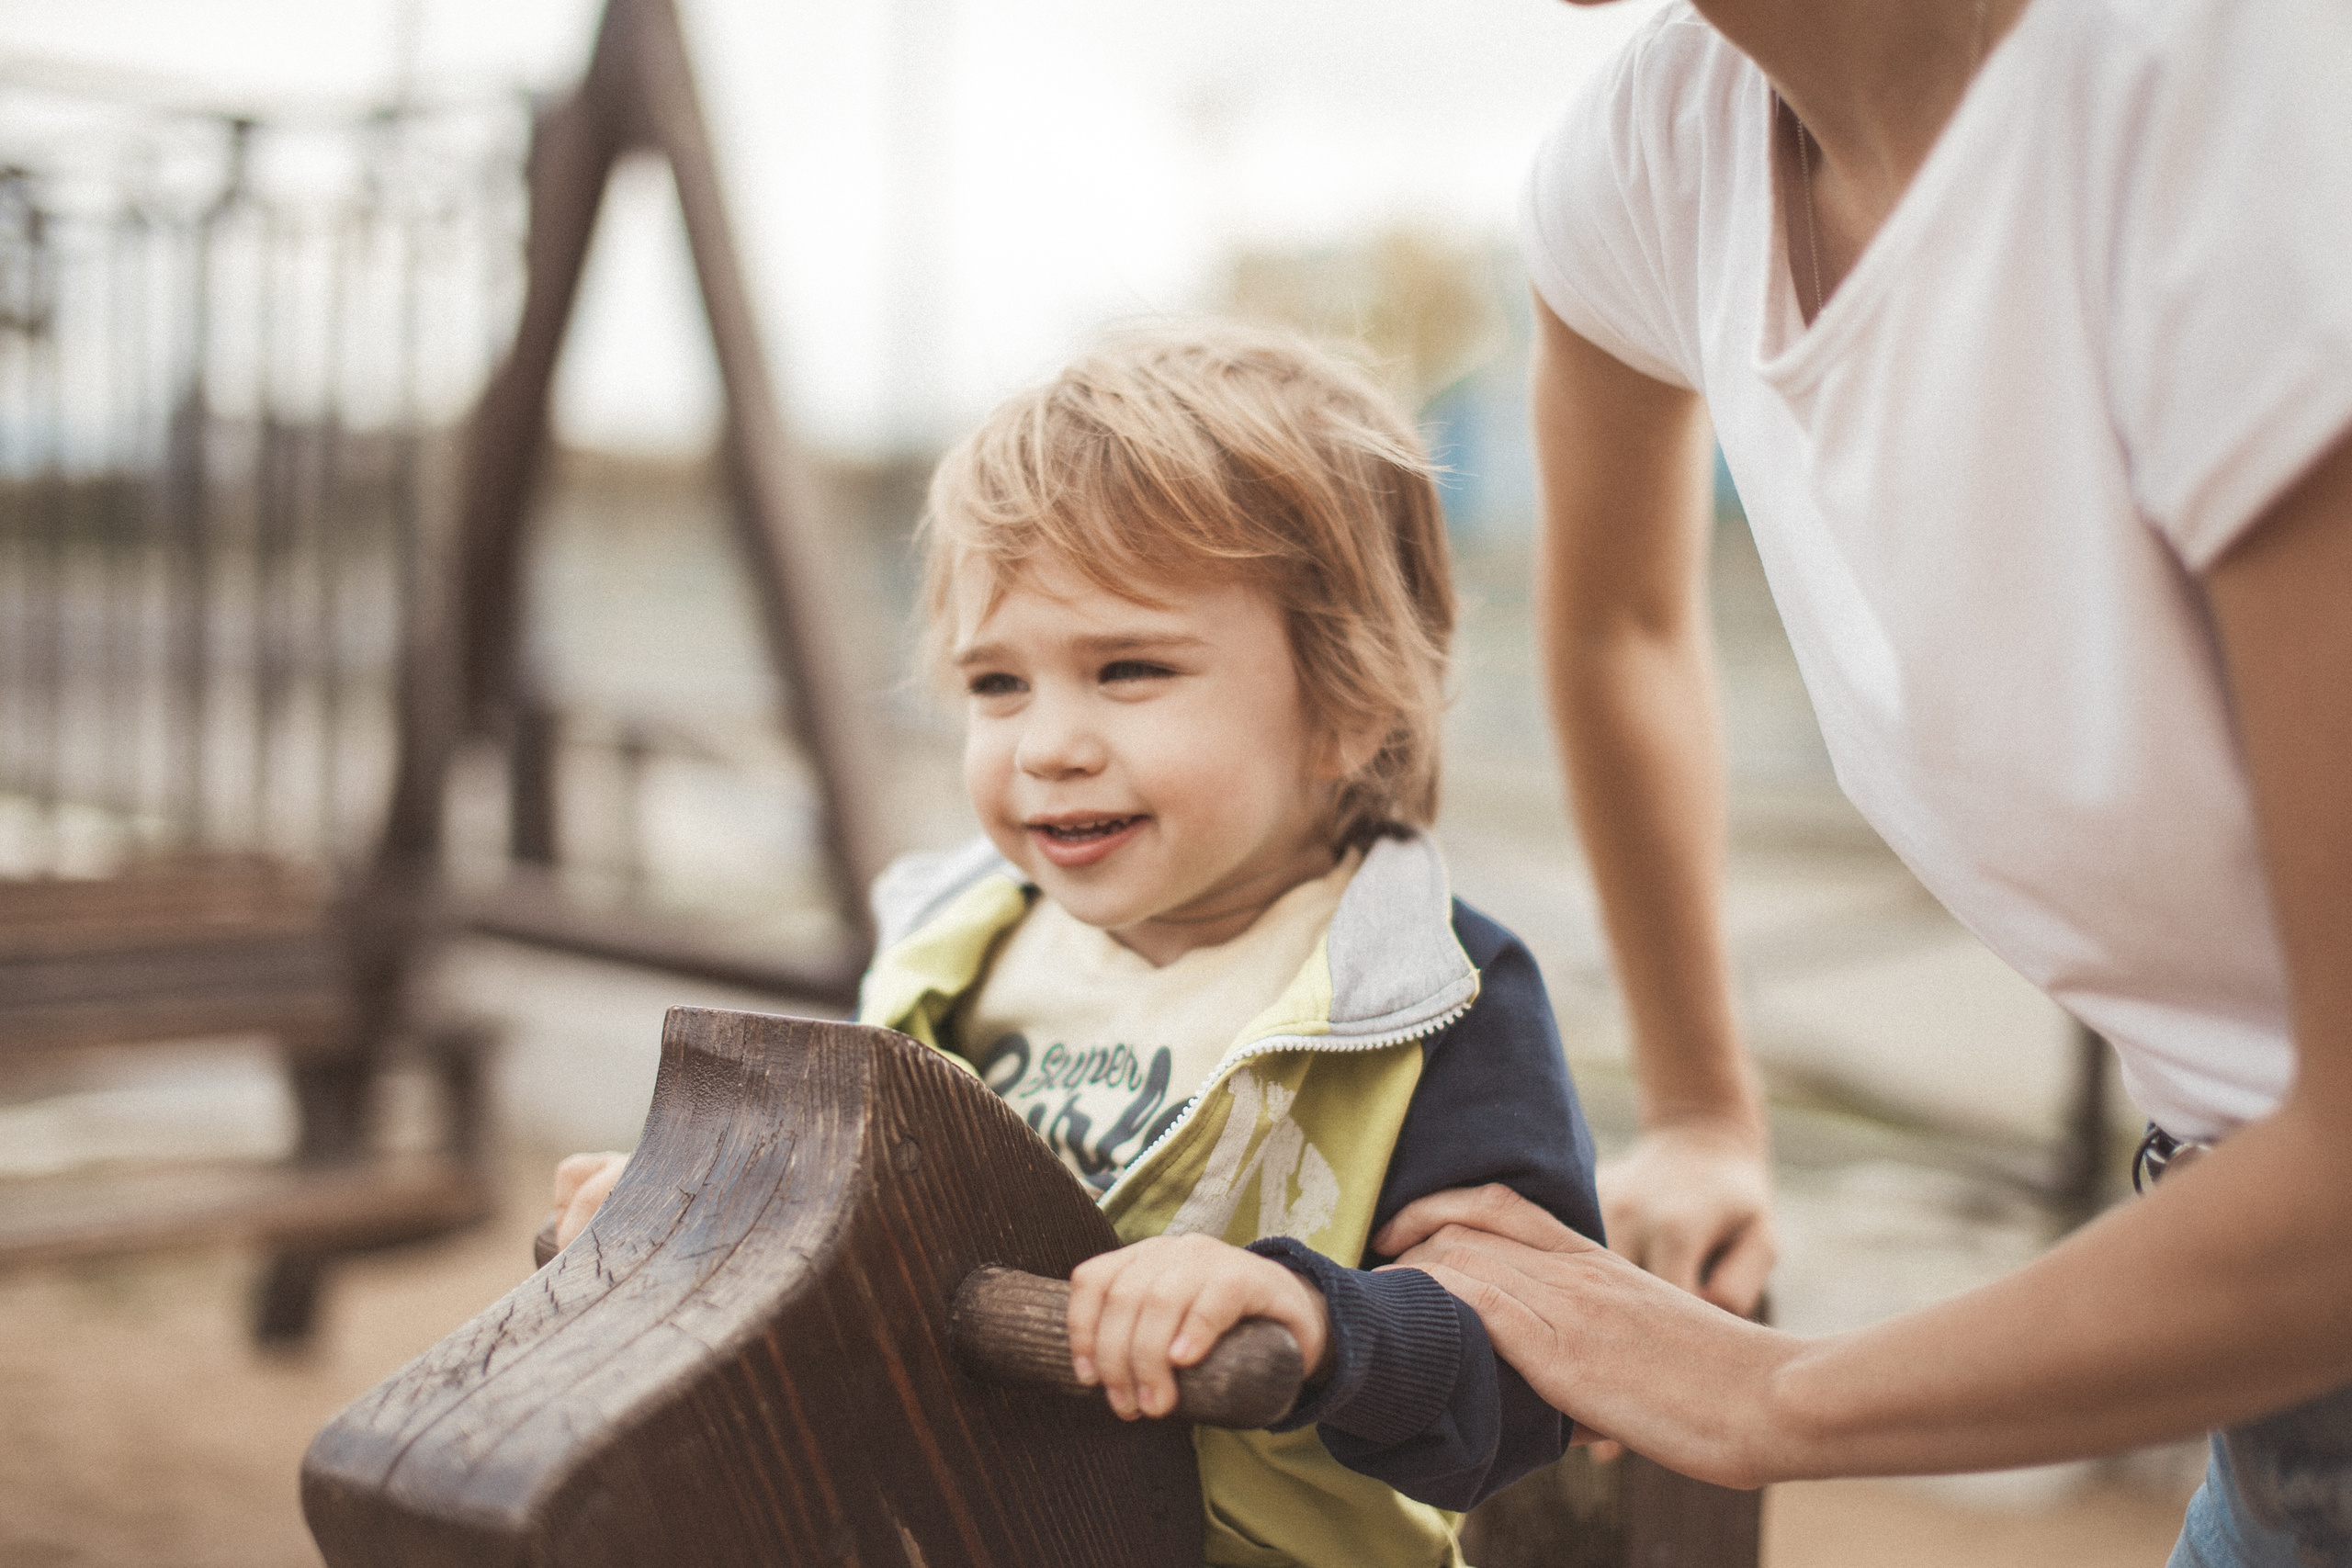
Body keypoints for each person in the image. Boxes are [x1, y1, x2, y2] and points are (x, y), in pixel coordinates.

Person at [1374, 0, 2352, 1562]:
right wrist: (1700, 1110)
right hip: (2269, 1325)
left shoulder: (2227, 76)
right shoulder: (1659, 154)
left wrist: (1766, 1397)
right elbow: (1620, 623)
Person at [548, 324, 1606, 1567]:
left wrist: (1319, 1321)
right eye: (997, 685)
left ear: (1347, 704)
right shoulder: (953, 954)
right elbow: (840, 1230)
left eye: (1129, 668)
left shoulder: (1433, 997)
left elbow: (1533, 1372)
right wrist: (697, 1215)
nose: (1046, 743)